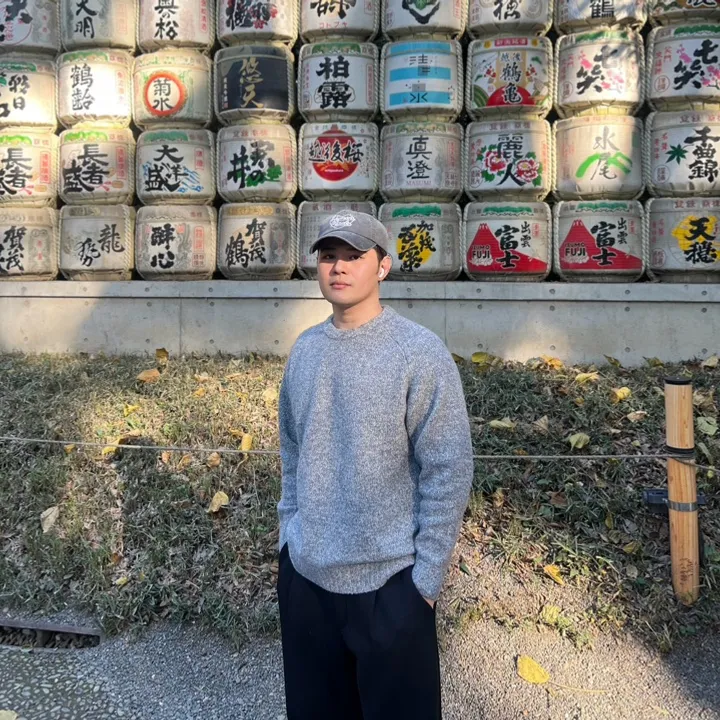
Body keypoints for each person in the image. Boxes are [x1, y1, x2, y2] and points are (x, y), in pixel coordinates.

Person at [276, 209, 474, 720]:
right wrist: (287, 541)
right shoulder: (305, 350)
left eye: (354, 256)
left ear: (383, 266)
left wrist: (425, 582)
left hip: (391, 587)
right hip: (307, 582)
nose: (339, 267)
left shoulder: (418, 352)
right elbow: (292, 452)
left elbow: (448, 468)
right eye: (329, 256)